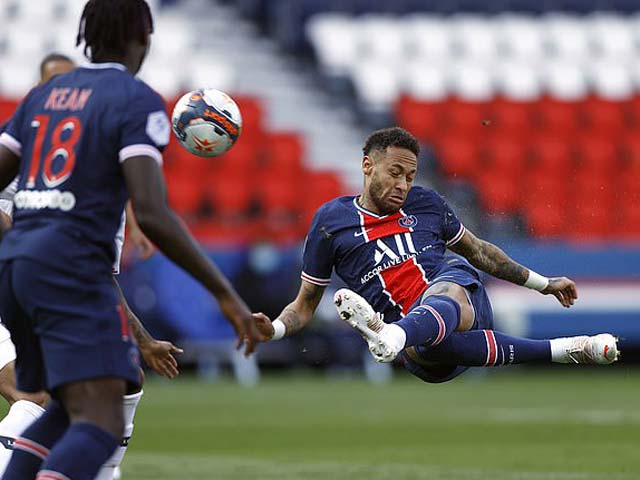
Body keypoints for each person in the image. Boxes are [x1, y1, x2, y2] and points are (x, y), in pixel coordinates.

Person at [0, 1, 260, 479]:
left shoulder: (45, 95)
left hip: (16, 271)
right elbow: (154, 212)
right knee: (103, 419)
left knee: (59, 409)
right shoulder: (134, 98)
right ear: (142, 38)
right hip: (72, 270)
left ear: (87, 37)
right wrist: (226, 295)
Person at [254, 126, 619, 383]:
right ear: (367, 166)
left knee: (447, 287)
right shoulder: (330, 222)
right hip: (424, 350)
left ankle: (392, 335)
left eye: (410, 176)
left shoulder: (426, 204)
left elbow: (479, 251)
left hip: (460, 299)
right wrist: (275, 329)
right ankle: (566, 349)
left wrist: (544, 284)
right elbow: (304, 305)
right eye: (394, 172)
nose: (402, 184)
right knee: (437, 343)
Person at [0, 52, 179, 479]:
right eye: (53, 86)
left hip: (40, 288)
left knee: (122, 380)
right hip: (16, 284)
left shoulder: (94, 172)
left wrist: (144, 338)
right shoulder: (22, 151)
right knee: (39, 395)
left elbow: (99, 266)